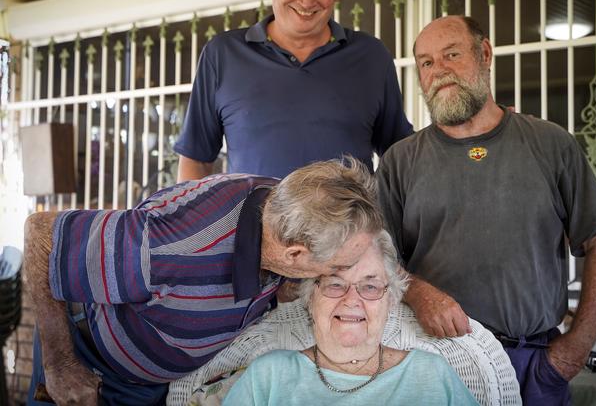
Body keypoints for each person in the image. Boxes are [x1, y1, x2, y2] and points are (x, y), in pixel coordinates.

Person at [376, 15, 596, 405]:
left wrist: (577, 345)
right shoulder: (399, 161)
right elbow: (375, 261)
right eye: (426, 63)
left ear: (485, 54)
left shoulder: (550, 143)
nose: (438, 71)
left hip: (538, 362)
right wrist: (419, 292)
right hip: (436, 360)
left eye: (451, 55)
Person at [24, 158, 382, 405]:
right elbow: (41, 235)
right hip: (91, 363)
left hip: (152, 382)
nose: (339, 275)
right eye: (337, 266)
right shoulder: (171, 247)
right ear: (294, 256)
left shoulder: (284, 207)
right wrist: (61, 366)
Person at [174, 0, 412, 181]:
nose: (307, 1)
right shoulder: (222, 55)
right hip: (251, 223)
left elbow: (400, 158)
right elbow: (195, 159)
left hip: (351, 223)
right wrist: (197, 221)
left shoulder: (372, 56)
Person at [223, 230, 478, 405]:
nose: (352, 300)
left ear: (390, 300)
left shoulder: (432, 374)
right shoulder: (269, 376)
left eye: (370, 287)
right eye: (335, 284)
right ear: (311, 297)